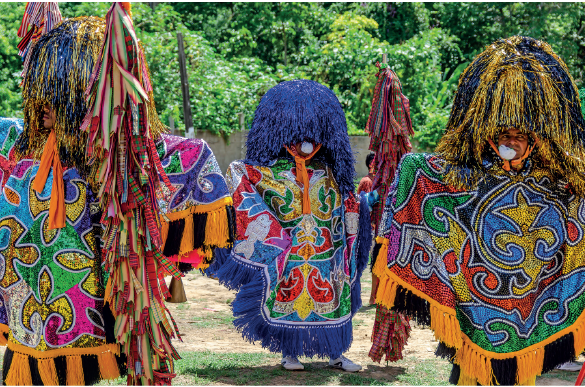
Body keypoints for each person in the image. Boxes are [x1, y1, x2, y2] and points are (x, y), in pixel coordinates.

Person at [0, 3, 233, 385]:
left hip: (117, 312)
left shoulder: (133, 162)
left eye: (53, 96)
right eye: (38, 95)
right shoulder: (23, 153)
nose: (41, 107)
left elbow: (188, 163)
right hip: (38, 320)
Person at [371, 36, 585, 385]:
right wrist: (410, 169)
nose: (511, 141)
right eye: (503, 132)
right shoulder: (464, 176)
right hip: (473, 304)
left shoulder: (556, 184)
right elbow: (425, 174)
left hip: (532, 303)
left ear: (535, 137)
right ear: (486, 133)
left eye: (520, 133)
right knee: (469, 374)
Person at [211, 79, 374, 372]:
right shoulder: (268, 173)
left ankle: (336, 352)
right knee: (287, 297)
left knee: (334, 298)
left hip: (329, 257)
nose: (305, 142)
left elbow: (348, 205)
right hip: (289, 257)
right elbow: (239, 173)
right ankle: (290, 354)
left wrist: (360, 206)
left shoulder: (332, 173)